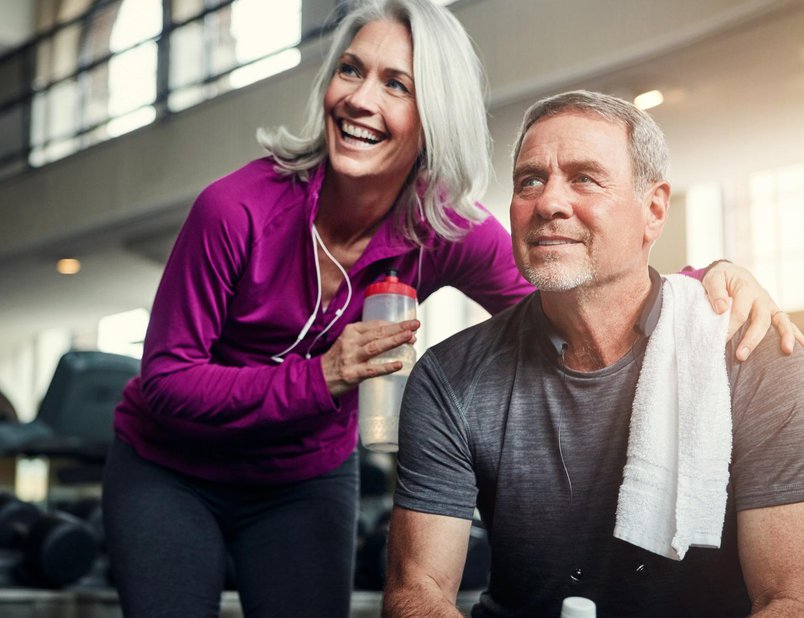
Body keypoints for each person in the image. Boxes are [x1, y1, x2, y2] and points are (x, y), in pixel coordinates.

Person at [100, 0, 802, 615]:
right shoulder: (235, 209)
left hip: (302, 477)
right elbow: (164, 380)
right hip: (172, 469)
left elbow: (576, 285)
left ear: (432, 115)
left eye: (395, 84)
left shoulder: (441, 227)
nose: (359, 99)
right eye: (350, 70)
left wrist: (708, 282)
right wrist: (320, 377)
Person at [383, 90, 804, 617]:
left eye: (584, 177)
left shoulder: (754, 359)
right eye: (529, 181)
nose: (549, 202)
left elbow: (790, 598)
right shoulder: (449, 378)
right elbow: (416, 591)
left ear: (653, 211)